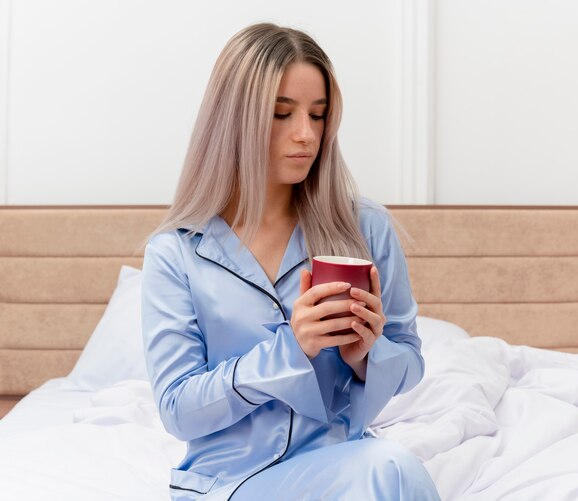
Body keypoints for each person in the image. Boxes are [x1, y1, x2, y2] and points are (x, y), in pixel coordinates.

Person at [141, 22, 440, 501]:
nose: (306, 135)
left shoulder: (365, 229)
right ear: (234, 119)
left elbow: (410, 359)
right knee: (391, 469)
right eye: (282, 114)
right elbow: (179, 409)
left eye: (318, 116)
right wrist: (290, 349)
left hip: (343, 471)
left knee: (391, 468)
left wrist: (366, 357)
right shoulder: (176, 253)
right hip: (227, 484)